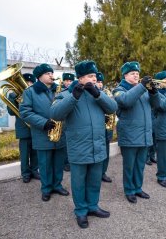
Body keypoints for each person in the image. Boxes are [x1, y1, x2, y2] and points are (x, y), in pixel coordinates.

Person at [51, 61, 118, 228]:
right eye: (90, 76)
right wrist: (74, 97)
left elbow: (113, 107)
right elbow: (55, 113)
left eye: (95, 76)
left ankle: (93, 206)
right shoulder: (67, 94)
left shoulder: (98, 93)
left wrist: (97, 94)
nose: (94, 79)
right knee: (79, 182)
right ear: (80, 78)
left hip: (97, 146)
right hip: (78, 147)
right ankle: (81, 211)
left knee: (95, 180)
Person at [20, 63, 69, 202]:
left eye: (52, 73)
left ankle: (57, 185)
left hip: (60, 133)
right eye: (48, 73)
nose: (51, 75)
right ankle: (46, 188)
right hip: (43, 134)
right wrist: (43, 123)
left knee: (58, 162)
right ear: (39, 76)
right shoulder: (30, 92)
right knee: (45, 164)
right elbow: (25, 112)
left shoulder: (59, 91)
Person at [113, 61, 160, 204]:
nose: (136, 75)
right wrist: (141, 86)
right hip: (130, 135)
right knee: (129, 165)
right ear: (125, 75)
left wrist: (153, 92)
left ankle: (138, 188)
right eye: (133, 73)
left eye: (137, 73)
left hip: (144, 135)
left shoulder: (143, 90)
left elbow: (157, 105)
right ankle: (129, 190)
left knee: (140, 165)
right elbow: (126, 101)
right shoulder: (119, 89)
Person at [7, 73, 40, 183]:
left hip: (35, 127)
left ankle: (34, 170)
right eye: (26, 82)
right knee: (25, 153)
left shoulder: (36, 94)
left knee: (35, 151)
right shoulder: (14, 95)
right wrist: (16, 100)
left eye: (31, 83)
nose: (28, 85)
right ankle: (25, 173)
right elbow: (11, 112)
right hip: (23, 128)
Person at [95, 72, 113, 183]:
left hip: (107, 128)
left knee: (106, 151)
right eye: (98, 81)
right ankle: (97, 173)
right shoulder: (92, 95)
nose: (100, 84)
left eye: (101, 82)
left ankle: (103, 172)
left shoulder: (106, 93)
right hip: (98, 129)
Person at [61, 73, 75, 172]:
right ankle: (66, 162)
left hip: (72, 121)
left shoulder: (74, 91)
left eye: (71, 81)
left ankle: (71, 161)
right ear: (63, 81)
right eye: (67, 81)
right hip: (63, 122)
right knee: (65, 143)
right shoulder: (61, 92)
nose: (69, 83)